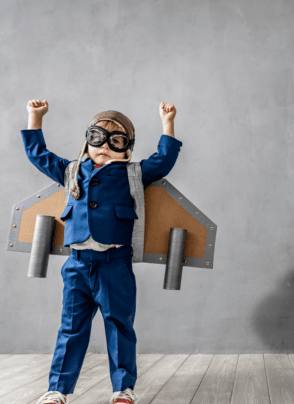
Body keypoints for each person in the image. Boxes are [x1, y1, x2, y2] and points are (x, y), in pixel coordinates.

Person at [22, 99, 182, 404]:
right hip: (78, 264)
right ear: (87, 141)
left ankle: (123, 389)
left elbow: (163, 160)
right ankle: (58, 389)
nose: (105, 147)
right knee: (70, 329)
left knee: (119, 325)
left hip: (115, 264)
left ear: (127, 149)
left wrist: (167, 123)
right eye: (97, 138)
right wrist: (35, 117)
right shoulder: (71, 171)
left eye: (116, 141)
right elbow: (38, 155)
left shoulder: (133, 173)